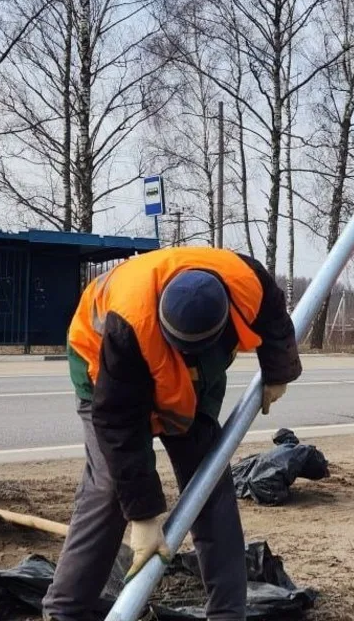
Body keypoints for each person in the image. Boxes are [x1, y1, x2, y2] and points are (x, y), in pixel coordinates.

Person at [42, 247, 302, 621]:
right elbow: (119, 426)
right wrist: (145, 518)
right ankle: (65, 610)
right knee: (109, 489)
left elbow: (274, 312)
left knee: (209, 481)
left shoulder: (244, 281)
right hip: (102, 366)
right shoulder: (128, 325)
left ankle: (228, 614)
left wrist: (279, 369)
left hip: (189, 385)